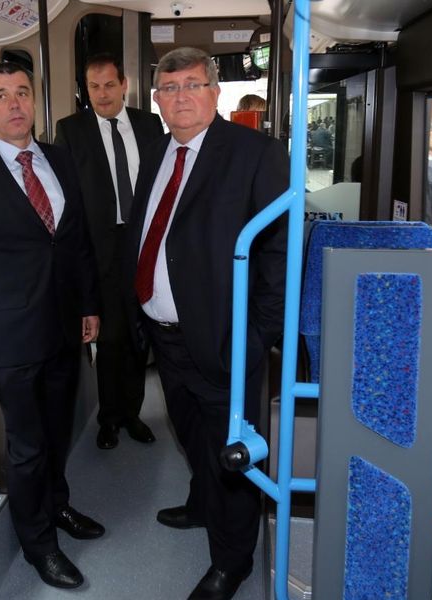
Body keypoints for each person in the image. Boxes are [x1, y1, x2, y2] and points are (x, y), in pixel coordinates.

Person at [123, 47, 288, 600]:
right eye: (170, 88)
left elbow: (280, 254)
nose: (181, 97)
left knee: (231, 452)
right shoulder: (156, 151)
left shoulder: (256, 153)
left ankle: (231, 561)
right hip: (165, 336)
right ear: (156, 99)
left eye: (193, 85)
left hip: (226, 340)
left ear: (215, 92)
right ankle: (202, 504)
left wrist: (257, 336)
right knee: (191, 433)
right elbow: (148, 232)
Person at [0, 62, 104, 590]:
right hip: (10, 335)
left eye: (22, 93)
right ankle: (39, 545)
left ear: (34, 101)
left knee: (58, 432)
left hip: (64, 326)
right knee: (27, 445)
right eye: (1, 95)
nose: (14, 104)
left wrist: (89, 305)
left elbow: (77, 242)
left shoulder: (59, 159)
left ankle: (58, 505)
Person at [54, 53, 164, 450]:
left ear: (124, 86)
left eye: (109, 85)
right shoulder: (71, 130)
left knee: (139, 334)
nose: (101, 94)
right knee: (112, 336)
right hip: (99, 249)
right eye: (93, 87)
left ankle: (133, 413)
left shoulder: (149, 124)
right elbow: (66, 195)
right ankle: (109, 417)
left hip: (144, 242)